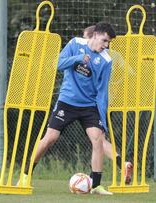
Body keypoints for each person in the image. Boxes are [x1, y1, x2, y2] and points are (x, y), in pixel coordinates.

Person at [19, 22, 116, 195]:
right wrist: (77, 59)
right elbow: (58, 64)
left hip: (89, 106)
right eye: (104, 41)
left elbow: (102, 92)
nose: (106, 45)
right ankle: (25, 175)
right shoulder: (75, 44)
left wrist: (102, 118)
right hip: (67, 102)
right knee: (50, 138)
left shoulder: (107, 60)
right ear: (95, 35)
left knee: (98, 139)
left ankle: (96, 185)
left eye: (108, 43)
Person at [83, 25, 133, 185]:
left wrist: (111, 84)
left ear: (93, 36)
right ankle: (96, 177)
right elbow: (130, 73)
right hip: (108, 101)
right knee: (97, 140)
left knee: (98, 140)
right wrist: (116, 85)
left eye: (86, 37)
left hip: (95, 102)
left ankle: (121, 164)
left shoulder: (101, 56)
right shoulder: (115, 55)